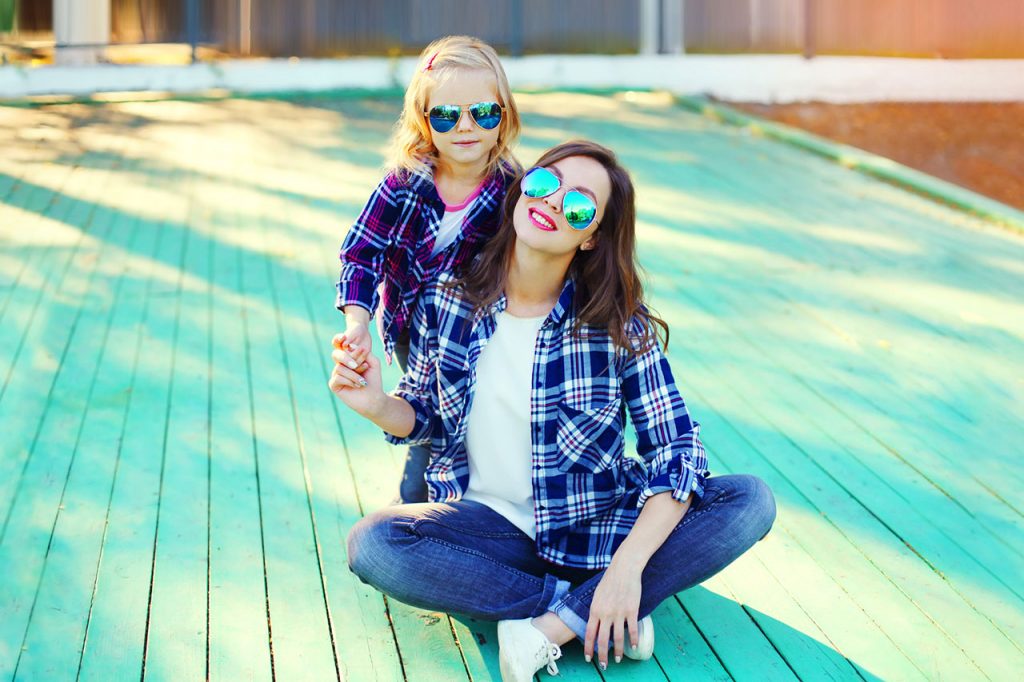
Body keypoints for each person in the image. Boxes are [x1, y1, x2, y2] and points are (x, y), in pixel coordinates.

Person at [330, 141, 776, 681]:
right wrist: (377, 403)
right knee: (375, 544)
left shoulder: (617, 326)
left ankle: (559, 623)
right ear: (524, 190)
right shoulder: (448, 299)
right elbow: (426, 416)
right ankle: (600, 611)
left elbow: (677, 450)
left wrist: (627, 567)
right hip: (488, 532)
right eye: (546, 183)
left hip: (597, 528)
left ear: (591, 237)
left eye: (581, 206)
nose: (554, 202)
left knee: (750, 500)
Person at [334, 35, 520, 503]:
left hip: (476, 338)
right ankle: (415, 507)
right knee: (425, 414)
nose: (466, 127)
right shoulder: (404, 183)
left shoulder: (514, 192)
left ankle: (479, 503)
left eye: (484, 112)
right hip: (407, 331)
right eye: (445, 115)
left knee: (468, 419)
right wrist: (357, 322)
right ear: (424, 120)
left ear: (504, 117)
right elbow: (361, 253)